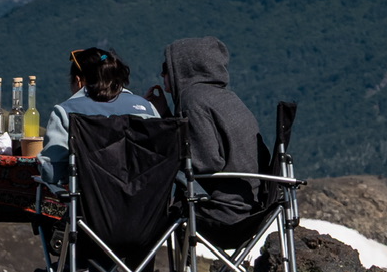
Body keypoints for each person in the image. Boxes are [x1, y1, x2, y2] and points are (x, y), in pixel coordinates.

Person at [156, 37, 263, 226]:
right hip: (252, 208)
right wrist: (165, 115)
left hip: (220, 211)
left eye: (167, 67)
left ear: (185, 69)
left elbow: (206, 162)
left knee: (150, 216)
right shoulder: (227, 97)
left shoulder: (192, 100)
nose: (163, 73)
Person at [39, 46, 157, 184]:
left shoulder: (66, 112)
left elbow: (52, 172)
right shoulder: (146, 108)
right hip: (146, 202)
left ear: (78, 81)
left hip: (93, 202)